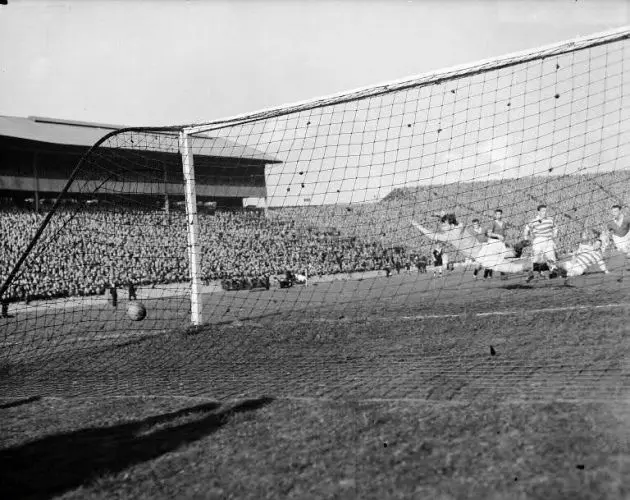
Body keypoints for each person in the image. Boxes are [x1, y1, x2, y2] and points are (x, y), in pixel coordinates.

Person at [412, 214, 529, 274]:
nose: (442, 227)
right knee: (513, 254)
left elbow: (431, 235)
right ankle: (518, 249)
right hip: (488, 245)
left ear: (450, 224)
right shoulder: (460, 226)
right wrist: (440, 216)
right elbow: (449, 218)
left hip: (482, 256)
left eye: (444, 224)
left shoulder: (449, 236)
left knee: (513, 268)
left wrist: (417, 226)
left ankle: (529, 264)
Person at [523, 204, 559, 282]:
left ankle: (553, 273)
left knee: (551, 257)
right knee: (536, 259)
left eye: (545, 211)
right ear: (538, 212)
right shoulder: (533, 221)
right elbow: (526, 229)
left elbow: (556, 227)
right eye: (543, 211)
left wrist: (555, 234)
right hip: (538, 241)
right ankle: (532, 274)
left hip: (548, 240)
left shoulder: (550, 219)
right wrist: (526, 239)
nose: (544, 212)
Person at [486, 209, 509, 280]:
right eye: (497, 214)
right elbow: (489, 234)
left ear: (502, 215)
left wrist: (505, 240)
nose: (499, 215)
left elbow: (504, 234)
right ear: (495, 215)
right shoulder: (492, 223)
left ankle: (503, 274)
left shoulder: (504, 223)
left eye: (500, 214)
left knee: (503, 258)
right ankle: (488, 274)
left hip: (501, 243)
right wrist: (497, 236)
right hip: (494, 242)